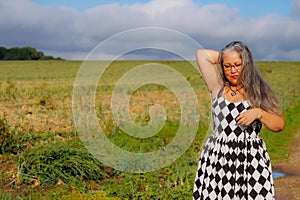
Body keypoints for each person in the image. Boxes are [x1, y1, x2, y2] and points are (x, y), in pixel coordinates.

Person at [193, 41, 285, 200]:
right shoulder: (218, 87)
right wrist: (226, 55)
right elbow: (201, 55)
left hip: (250, 159)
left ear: (246, 64)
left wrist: (259, 113)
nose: (233, 70)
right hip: (218, 159)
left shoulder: (258, 91)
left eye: (238, 64)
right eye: (227, 66)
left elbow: (279, 125)